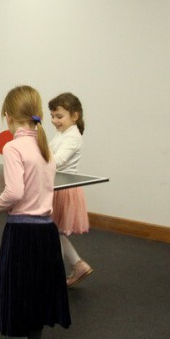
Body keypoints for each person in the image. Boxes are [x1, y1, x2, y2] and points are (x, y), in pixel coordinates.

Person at [0, 85, 69, 339]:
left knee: (16, 304)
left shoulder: (13, 148)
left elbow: (14, 193)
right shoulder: (45, 148)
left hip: (22, 234)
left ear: (7, 116)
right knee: (34, 301)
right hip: (46, 234)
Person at [48, 92, 94, 286]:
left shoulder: (73, 136)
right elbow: (49, 152)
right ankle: (78, 264)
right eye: (52, 116)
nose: (54, 120)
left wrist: (36, 159)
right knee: (54, 231)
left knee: (52, 232)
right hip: (56, 186)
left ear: (75, 116)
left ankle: (54, 274)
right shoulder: (62, 133)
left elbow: (57, 160)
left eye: (59, 116)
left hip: (64, 189)